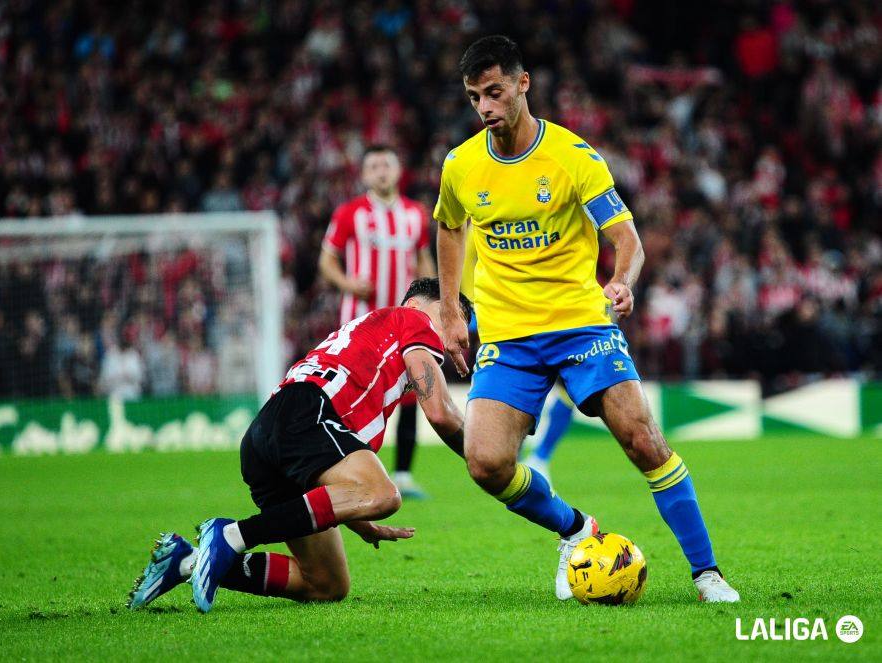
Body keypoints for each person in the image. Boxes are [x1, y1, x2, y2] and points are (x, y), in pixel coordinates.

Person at [433, 36, 739, 603]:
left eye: (495, 92)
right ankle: (577, 531)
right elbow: (450, 226)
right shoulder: (461, 163)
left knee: (643, 441)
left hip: (580, 322)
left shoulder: (573, 157)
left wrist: (622, 280)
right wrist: (451, 310)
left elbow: (626, 238)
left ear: (523, 84)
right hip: (508, 333)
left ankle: (707, 573)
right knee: (485, 463)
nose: (485, 108)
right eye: (475, 97)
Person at [127, 278, 473, 612]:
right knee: (386, 495)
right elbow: (441, 414)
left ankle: (187, 561)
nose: (454, 330)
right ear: (415, 304)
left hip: (271, 432)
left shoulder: (373, 356)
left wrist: (362, 519)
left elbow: (337, 479)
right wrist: (482, 456)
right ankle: (232, 534)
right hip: (309, 412)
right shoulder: (414, 320)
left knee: (326, 583)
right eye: (450, 314)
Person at [318, 144, 437, 499]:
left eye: (387, 164)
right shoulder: (349, 213)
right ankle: (344, 468)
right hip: (361, 322)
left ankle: (402, 474)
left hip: (404, 322)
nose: (381, 171)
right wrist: (347, 284)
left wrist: (431, 304)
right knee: (351, 393)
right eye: (374, 166)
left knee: (412, 390)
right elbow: (327, 260)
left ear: (398, 171)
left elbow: (423, 260)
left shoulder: (415, 214)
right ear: (364, 174)